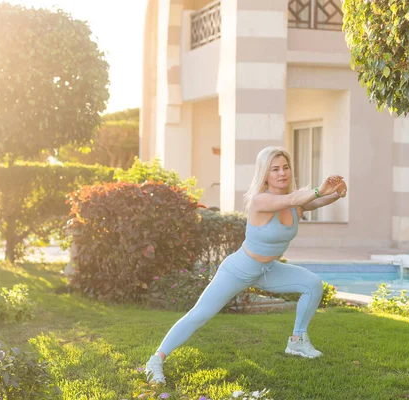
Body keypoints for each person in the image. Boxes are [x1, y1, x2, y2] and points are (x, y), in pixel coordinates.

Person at [145, 146, 347, 384]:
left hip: (267, 270)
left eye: (285, 167)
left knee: (312, 284)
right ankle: (155, 360)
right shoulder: (261, 200)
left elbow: (311, 202)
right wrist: (318, 189)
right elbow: (297, 198)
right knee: (200, 315)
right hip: (239, 269)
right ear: (265, 174)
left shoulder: (297, 201)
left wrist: (336, 193)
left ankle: (297, 341)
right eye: (275, 169)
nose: (282, 173)